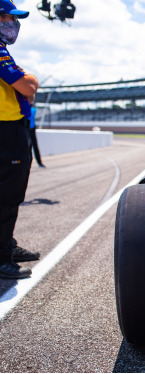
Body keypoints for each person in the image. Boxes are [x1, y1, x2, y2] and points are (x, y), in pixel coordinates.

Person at [0, 1, 41, 279]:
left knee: (8, 196)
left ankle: (6, 245)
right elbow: (28, 86)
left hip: (10, 130)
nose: (13, 24)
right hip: (6, 131)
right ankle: (3, 258)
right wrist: (32, 81)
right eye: (7, 19)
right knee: (7, 197)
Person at [28, 103, 45, 167]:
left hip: (26, 128)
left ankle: (28, 162)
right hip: (32, 129)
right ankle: (39, 162)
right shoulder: (34, 110)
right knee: (35, 146)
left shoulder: (27, 110)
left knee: (26, 147)